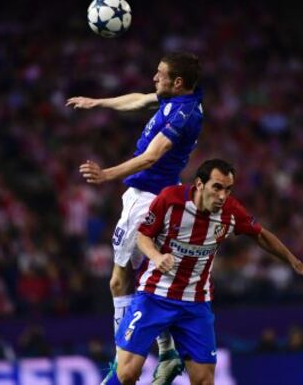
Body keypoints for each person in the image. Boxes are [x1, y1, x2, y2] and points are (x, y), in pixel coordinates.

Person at [106, 158, 303, 385]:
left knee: (204, 381)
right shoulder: (170, 199)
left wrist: (295, 262)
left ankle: (171, 357)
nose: (222, 196)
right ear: (199, 184)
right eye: (217, 187)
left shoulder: (230, 211)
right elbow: (143, 235)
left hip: (195, 304)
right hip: (154, 296)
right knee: (126, 373)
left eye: (228, 189)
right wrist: (157, 256)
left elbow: (260, 234)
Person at [66, 51, 203, 384]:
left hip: (147, 199)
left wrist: (107, 174)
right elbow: (140, 101)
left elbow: (151, 156)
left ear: (178, 81)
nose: (154, 78)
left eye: (160, 74)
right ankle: (168, 352)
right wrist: (97, 102)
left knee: (119, 282)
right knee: (144, 280)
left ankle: (121, 363)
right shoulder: (176, 101)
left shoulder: (183, 114)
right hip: (156, 196)